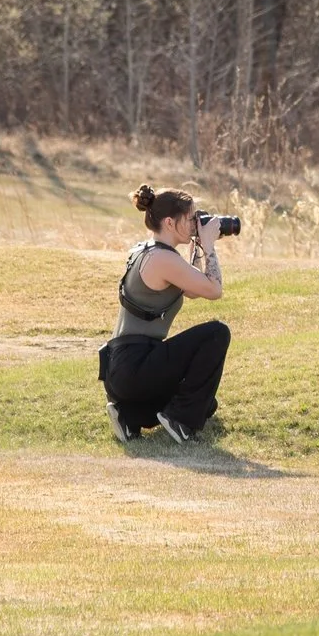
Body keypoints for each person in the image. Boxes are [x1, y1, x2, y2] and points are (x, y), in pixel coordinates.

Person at [98, 184, 232, 444]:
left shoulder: (148, 250)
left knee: (206, 404)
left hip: (124, 368)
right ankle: (180, 423)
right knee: (217, 333)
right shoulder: (163, 260)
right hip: (136, 364)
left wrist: (197, 247)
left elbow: (193, 290)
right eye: (191, 218)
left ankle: (130, 415)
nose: (196, 223)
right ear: (170, 222)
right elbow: (214, 290)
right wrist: (209, 246)